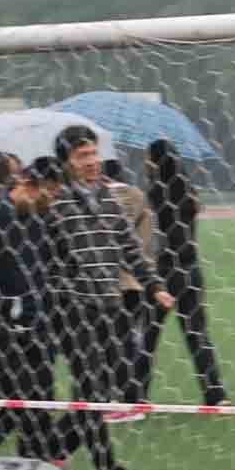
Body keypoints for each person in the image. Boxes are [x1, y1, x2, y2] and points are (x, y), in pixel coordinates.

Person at [45, 125, 173, 470]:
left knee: (105, 389)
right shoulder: (56, 203)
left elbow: (130, 247)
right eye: (82, 156)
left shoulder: (107, 197)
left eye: (93, 154)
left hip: (109, 305)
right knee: (91, 390)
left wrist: (155, 286)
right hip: (72, 308)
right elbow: (44, 256)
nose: (91, 161)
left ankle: (49, 448)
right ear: (66, 162)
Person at [0, 151, 64, 462]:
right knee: (17, 401)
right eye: (47, 193)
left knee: (40, 401)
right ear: (25, 182)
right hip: (3, 329)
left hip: (38, 324)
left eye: (55, 194)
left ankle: (34, 468)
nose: (50, 200)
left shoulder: (40, 219)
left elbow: (46, 268)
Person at [143, 139, 229, 406]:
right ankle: (215, 394)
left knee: (146, 336)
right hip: (191, 269)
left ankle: (135, 396)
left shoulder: (156, 191)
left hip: (164, 271)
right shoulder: (189, 191)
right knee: (197, 335)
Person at [101, 157, 159, 413]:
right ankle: (137, 396)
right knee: (132, 340)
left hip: (110, 281)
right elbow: (147, 239)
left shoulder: (101, 198)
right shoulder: (138, 196)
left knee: (111, 343)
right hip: (138, 279)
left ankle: (121, 399)